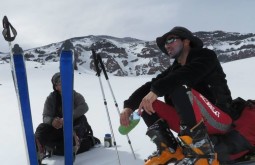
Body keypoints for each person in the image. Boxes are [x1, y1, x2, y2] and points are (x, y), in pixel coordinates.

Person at [120, 26, 238, 165]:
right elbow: (150, 85)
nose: (167, 45)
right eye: (165, 43)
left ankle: (203, 156)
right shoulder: (174, 69)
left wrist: (157, 90)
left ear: (186, 41)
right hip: (191, 124)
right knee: (147, 102)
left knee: (179, 87)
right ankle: (169, 150)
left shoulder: (206, 56)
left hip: (219, 118)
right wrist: (128, 107)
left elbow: (187, 74)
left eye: (171, 40)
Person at [35, 72, 99, 163]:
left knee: (82, 119)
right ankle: (38, 150)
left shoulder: (74, 95)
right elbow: (45, 116)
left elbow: (84, 106)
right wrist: (52, 121)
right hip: (58, 132)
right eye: (61, 83)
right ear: (56, 87)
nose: (65, 85)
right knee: (42, 127)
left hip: (74, 128)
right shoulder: (51, 99)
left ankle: (74, 141)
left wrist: (68, 118)